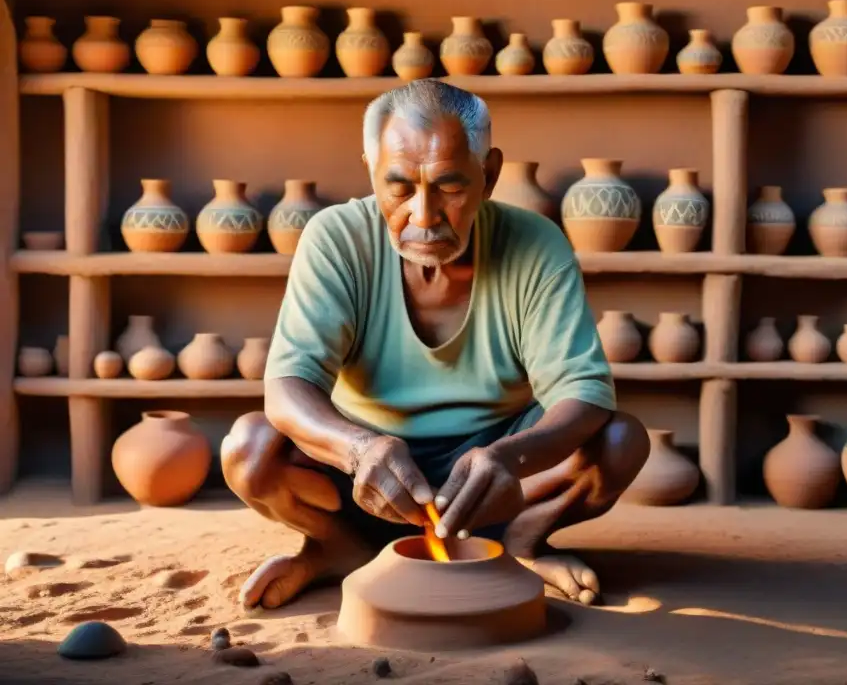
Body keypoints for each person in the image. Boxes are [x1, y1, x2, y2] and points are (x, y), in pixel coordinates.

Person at [221, 79, 650, 612]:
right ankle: (336, 548)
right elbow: (287, 387)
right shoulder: (335, 237)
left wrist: (509, 456)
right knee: (250, 448)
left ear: (489, 174)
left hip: (494, 483)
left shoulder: (535, 243)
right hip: (366, 481)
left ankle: (521, 543)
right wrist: (359, 450)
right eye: (398, 187)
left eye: (450, 186)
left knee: (619, 442)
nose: (423, 216)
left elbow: (584, 393)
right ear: (371, 170)